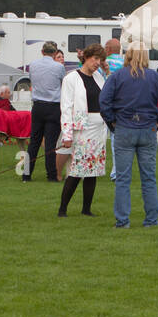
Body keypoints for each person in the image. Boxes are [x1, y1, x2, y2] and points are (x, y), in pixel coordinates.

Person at [99, 43, 158, 228]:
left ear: (128, 55)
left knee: (123, 178)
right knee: (148, 178)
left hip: (124, 127)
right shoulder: (154, 77)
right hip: (148, 128)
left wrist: (112, 121)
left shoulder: (117, 76)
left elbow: (103, 101)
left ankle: (122, 220)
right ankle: (151, 220)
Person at [58, 43, 108, 216]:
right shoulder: (71, 78)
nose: (97, 63)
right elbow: (66, 108)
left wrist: (107, 71)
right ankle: (62, 209)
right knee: (77, 170)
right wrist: (67, 134)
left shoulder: (100, 78)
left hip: (99, 128)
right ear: (86, 57)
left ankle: (86, 209)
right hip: (82, 129)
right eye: (95, 58)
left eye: (100, 60)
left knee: (93, 171)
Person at [25, 41, 67, 182]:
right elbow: (63, 83)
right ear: (55, 53)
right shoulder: (59, 67)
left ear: (42, 51)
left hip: (37, 106)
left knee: (34, 142)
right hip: (53, 107)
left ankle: (26, 174)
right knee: (50, 144)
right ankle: (52, 175)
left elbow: (32, 81)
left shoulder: (33, 65)